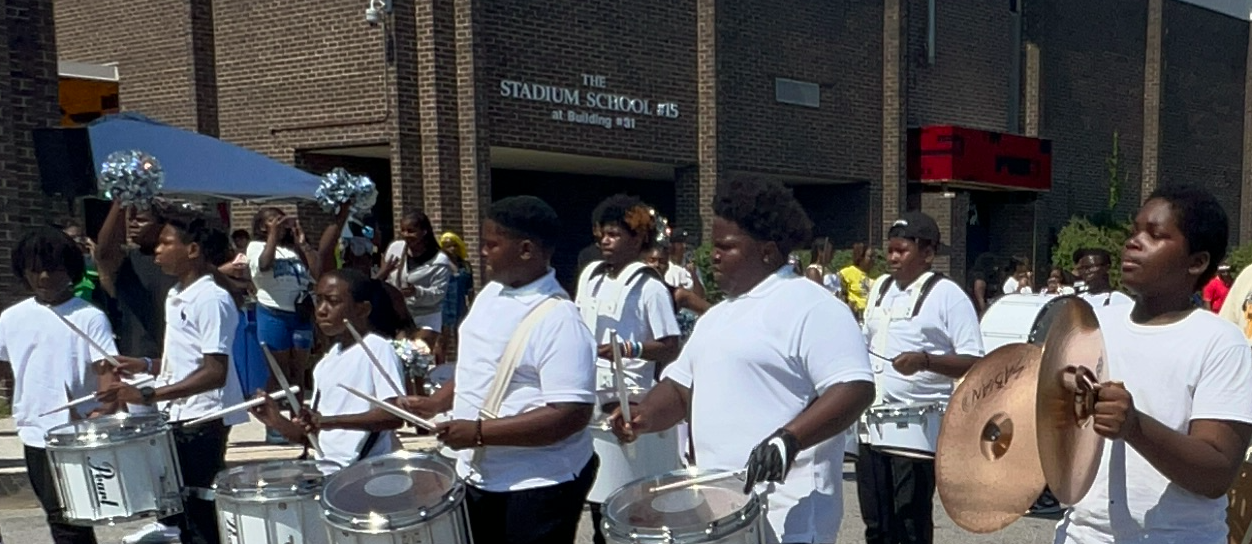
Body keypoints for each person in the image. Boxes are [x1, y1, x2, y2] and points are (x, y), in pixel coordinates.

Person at [611, 177, 876, 544]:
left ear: (767, 252)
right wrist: (641, 414)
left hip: (790, 516)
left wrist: (790, 439)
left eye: (727, 247)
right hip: (722, 513)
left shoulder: (813, 307)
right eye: (713, 246)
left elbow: (855, 387)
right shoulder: (718, 316)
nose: (714, 256)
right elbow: (680, 388)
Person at [1054, 185, 1252, 544]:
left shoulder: (1220, 342)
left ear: (1197, 262)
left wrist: (1135, 427)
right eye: (1133, 232)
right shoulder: (1094, 325)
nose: (1133, 242)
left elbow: (1218, 471)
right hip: (1080, 535)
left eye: (1156, 235)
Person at [395, 196, 597, 544]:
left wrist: (477, 433)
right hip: (479, 474)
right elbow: (482, 368)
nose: (483, 252)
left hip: (536, 485)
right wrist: (437, 402)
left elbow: (569, 415)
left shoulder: (559, 319)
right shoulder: (491, 294)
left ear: (526, 249)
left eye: (492, 244)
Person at [98, 209, 247, 544]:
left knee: (199, 514)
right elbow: (184, 361)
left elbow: (215, 372)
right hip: (180, 415)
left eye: (166, 243)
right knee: (180, 512)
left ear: (192, 250)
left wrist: (150, 395)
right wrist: (146, 366)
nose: (157, 251)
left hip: (204, 417)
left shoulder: (211, 298)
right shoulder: (177, 294)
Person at [857, 211, 984, 544]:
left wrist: (926, 361)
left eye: (902, 251)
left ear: (927, 253)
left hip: (916, 425)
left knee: (909, 522)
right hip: (872, 424)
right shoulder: (880, 288)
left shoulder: (948, 295)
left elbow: (974, 359)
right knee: (876, 522)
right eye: (891, 250)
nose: (892, 257)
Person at [0, 227, 122, 544]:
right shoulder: (11, 318)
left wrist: (104, 409)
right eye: (34, 269)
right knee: (56, 515)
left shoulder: (89, 317)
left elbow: (108, 371)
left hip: (77, 432)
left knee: (72, 517)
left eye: (52, 269)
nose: (43, 277)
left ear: (69, 269)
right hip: (34, 429)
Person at [575, 195, 682, 544]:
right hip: (590, 395)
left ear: (637, 239)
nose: (604, 241)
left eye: (613, 234)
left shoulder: (650, 286)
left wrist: (628, 348)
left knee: (631, 498)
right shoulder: (590, 276)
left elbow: (671, 345)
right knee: (597, 495)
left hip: (631, 398)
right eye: (601, 235)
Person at [92, 199, 184, 544]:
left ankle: (182, 520)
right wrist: (120, 200)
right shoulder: (126, 262)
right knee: (151, 451)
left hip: (175, 369)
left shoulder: (177, 267)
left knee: (178, 449)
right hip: (139, 370)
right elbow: (103, 251)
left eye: (141, 218)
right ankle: (165, 519)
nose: (132, 224)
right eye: (129, 218)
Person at [250, 268, 406, 468]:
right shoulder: (326, 363)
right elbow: (312, 436)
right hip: (329, 472)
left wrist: (327, 421)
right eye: (318, 300)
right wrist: (275, 419)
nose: (321, 310)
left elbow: (393, 416)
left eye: (332, 301)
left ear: (362, 309)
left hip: (369, 472)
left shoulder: (376, 348)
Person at [246, 207, 315, 444]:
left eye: (280, 219)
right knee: (279, 372)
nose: (279, 223)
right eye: (272, 220)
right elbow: (264, 266)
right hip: (273, 311)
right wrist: (273, 235)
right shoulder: (256, 247)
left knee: (298, 371)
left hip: (299, 312)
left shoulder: (291, 250)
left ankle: (297, 422)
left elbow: (313, 271)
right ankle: (273, 424)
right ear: (262, 225)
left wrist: (301, 242)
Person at [382, 210, 452, 348]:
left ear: (424, 232)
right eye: (403, 231)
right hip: (400, 315)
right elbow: (386, 280)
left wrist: (417, 292)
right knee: (398, 353)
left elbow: (438, 294)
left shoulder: (439, 261)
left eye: (411, 231)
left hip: (426, 317)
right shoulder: (395, 248)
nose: (405, 235)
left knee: (418, 355)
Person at [436, 231, 474, 364]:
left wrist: (472, 306)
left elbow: (470, 288)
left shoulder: (465, 266)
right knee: (443, 339)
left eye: (454, 245)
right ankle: (440, 369)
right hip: (444, 304)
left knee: (462, 336)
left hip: (460, 304)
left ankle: (461, 365)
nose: (451, 249)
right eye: (447, 246)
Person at [839, 242, 876, 320]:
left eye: (874, 257)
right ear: (860, 257)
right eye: (870, 257)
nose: (873, 260)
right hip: (855, 316)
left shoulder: (872, 278)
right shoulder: (847, 272)